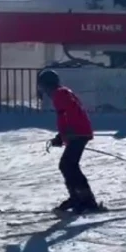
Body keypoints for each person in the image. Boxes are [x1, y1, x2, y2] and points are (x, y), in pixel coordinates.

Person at [37, 69, 100, 214]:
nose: (42, 90)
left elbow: (71, 112)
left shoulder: (60, 94)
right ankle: (77, 197)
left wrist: (70, 131)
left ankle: (86, 200)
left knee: (69, 165)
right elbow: (67, 115)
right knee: (67, 165)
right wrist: (61, 136)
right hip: (78, 132)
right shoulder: (61, 93)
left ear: (48, 84)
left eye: (42, 86)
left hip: (78, 133)